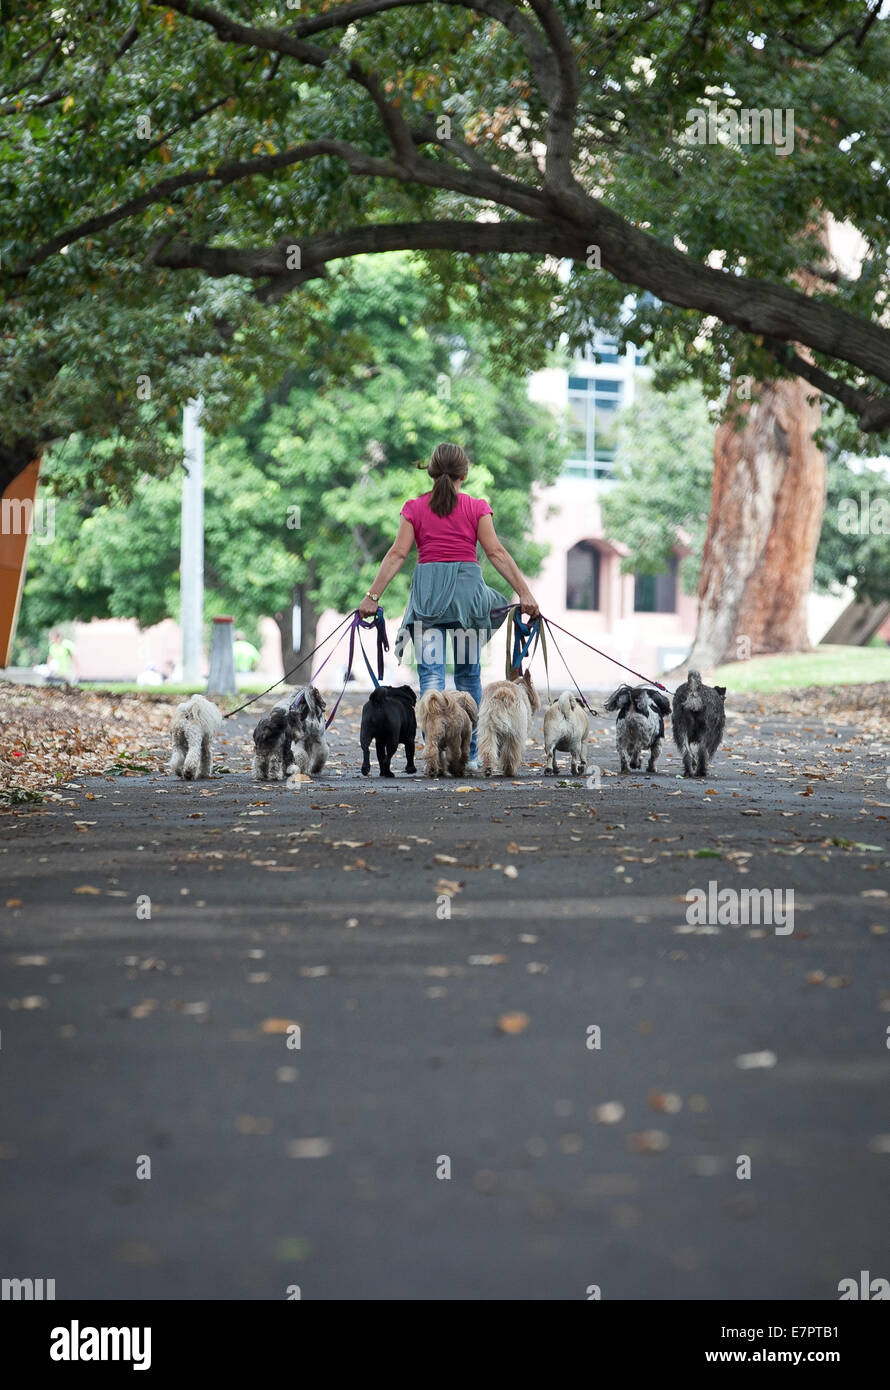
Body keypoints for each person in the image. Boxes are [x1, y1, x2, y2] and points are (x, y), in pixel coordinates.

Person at [358, 442, 539, 770]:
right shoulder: (476, 508)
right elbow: (496, 552)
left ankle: (435, 755)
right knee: (469, 675)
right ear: (464, 474)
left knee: (431, 679)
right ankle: (468, 756)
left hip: (428, 602)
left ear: (430, 471)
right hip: (466, 605)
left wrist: (372, 597)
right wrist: (524, 593)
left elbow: (398, 554)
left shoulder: (414, 508)